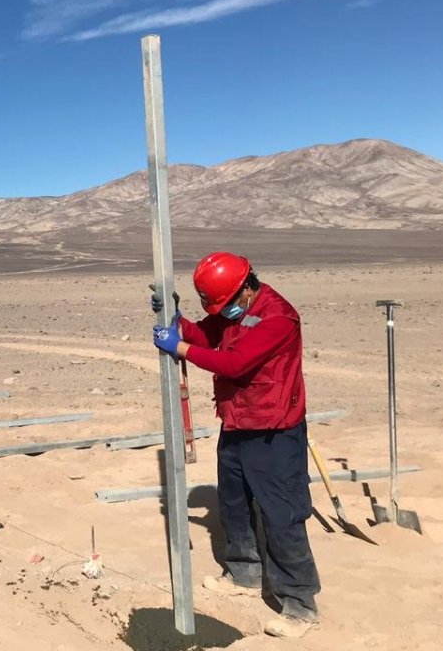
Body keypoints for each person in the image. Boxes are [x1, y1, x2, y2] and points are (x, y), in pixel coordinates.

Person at [151, 251, 321, 640]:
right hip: (238, 421)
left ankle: (300, 604)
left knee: (282, 515)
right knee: (234, 503)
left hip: (274, 431)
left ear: (247, 288)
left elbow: (234, 364)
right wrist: (175, 322)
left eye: (225, 304)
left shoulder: (278, 318)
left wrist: (179, 348)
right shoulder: (235, 310)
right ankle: (244, 572)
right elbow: (209, 335)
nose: (221, 312)